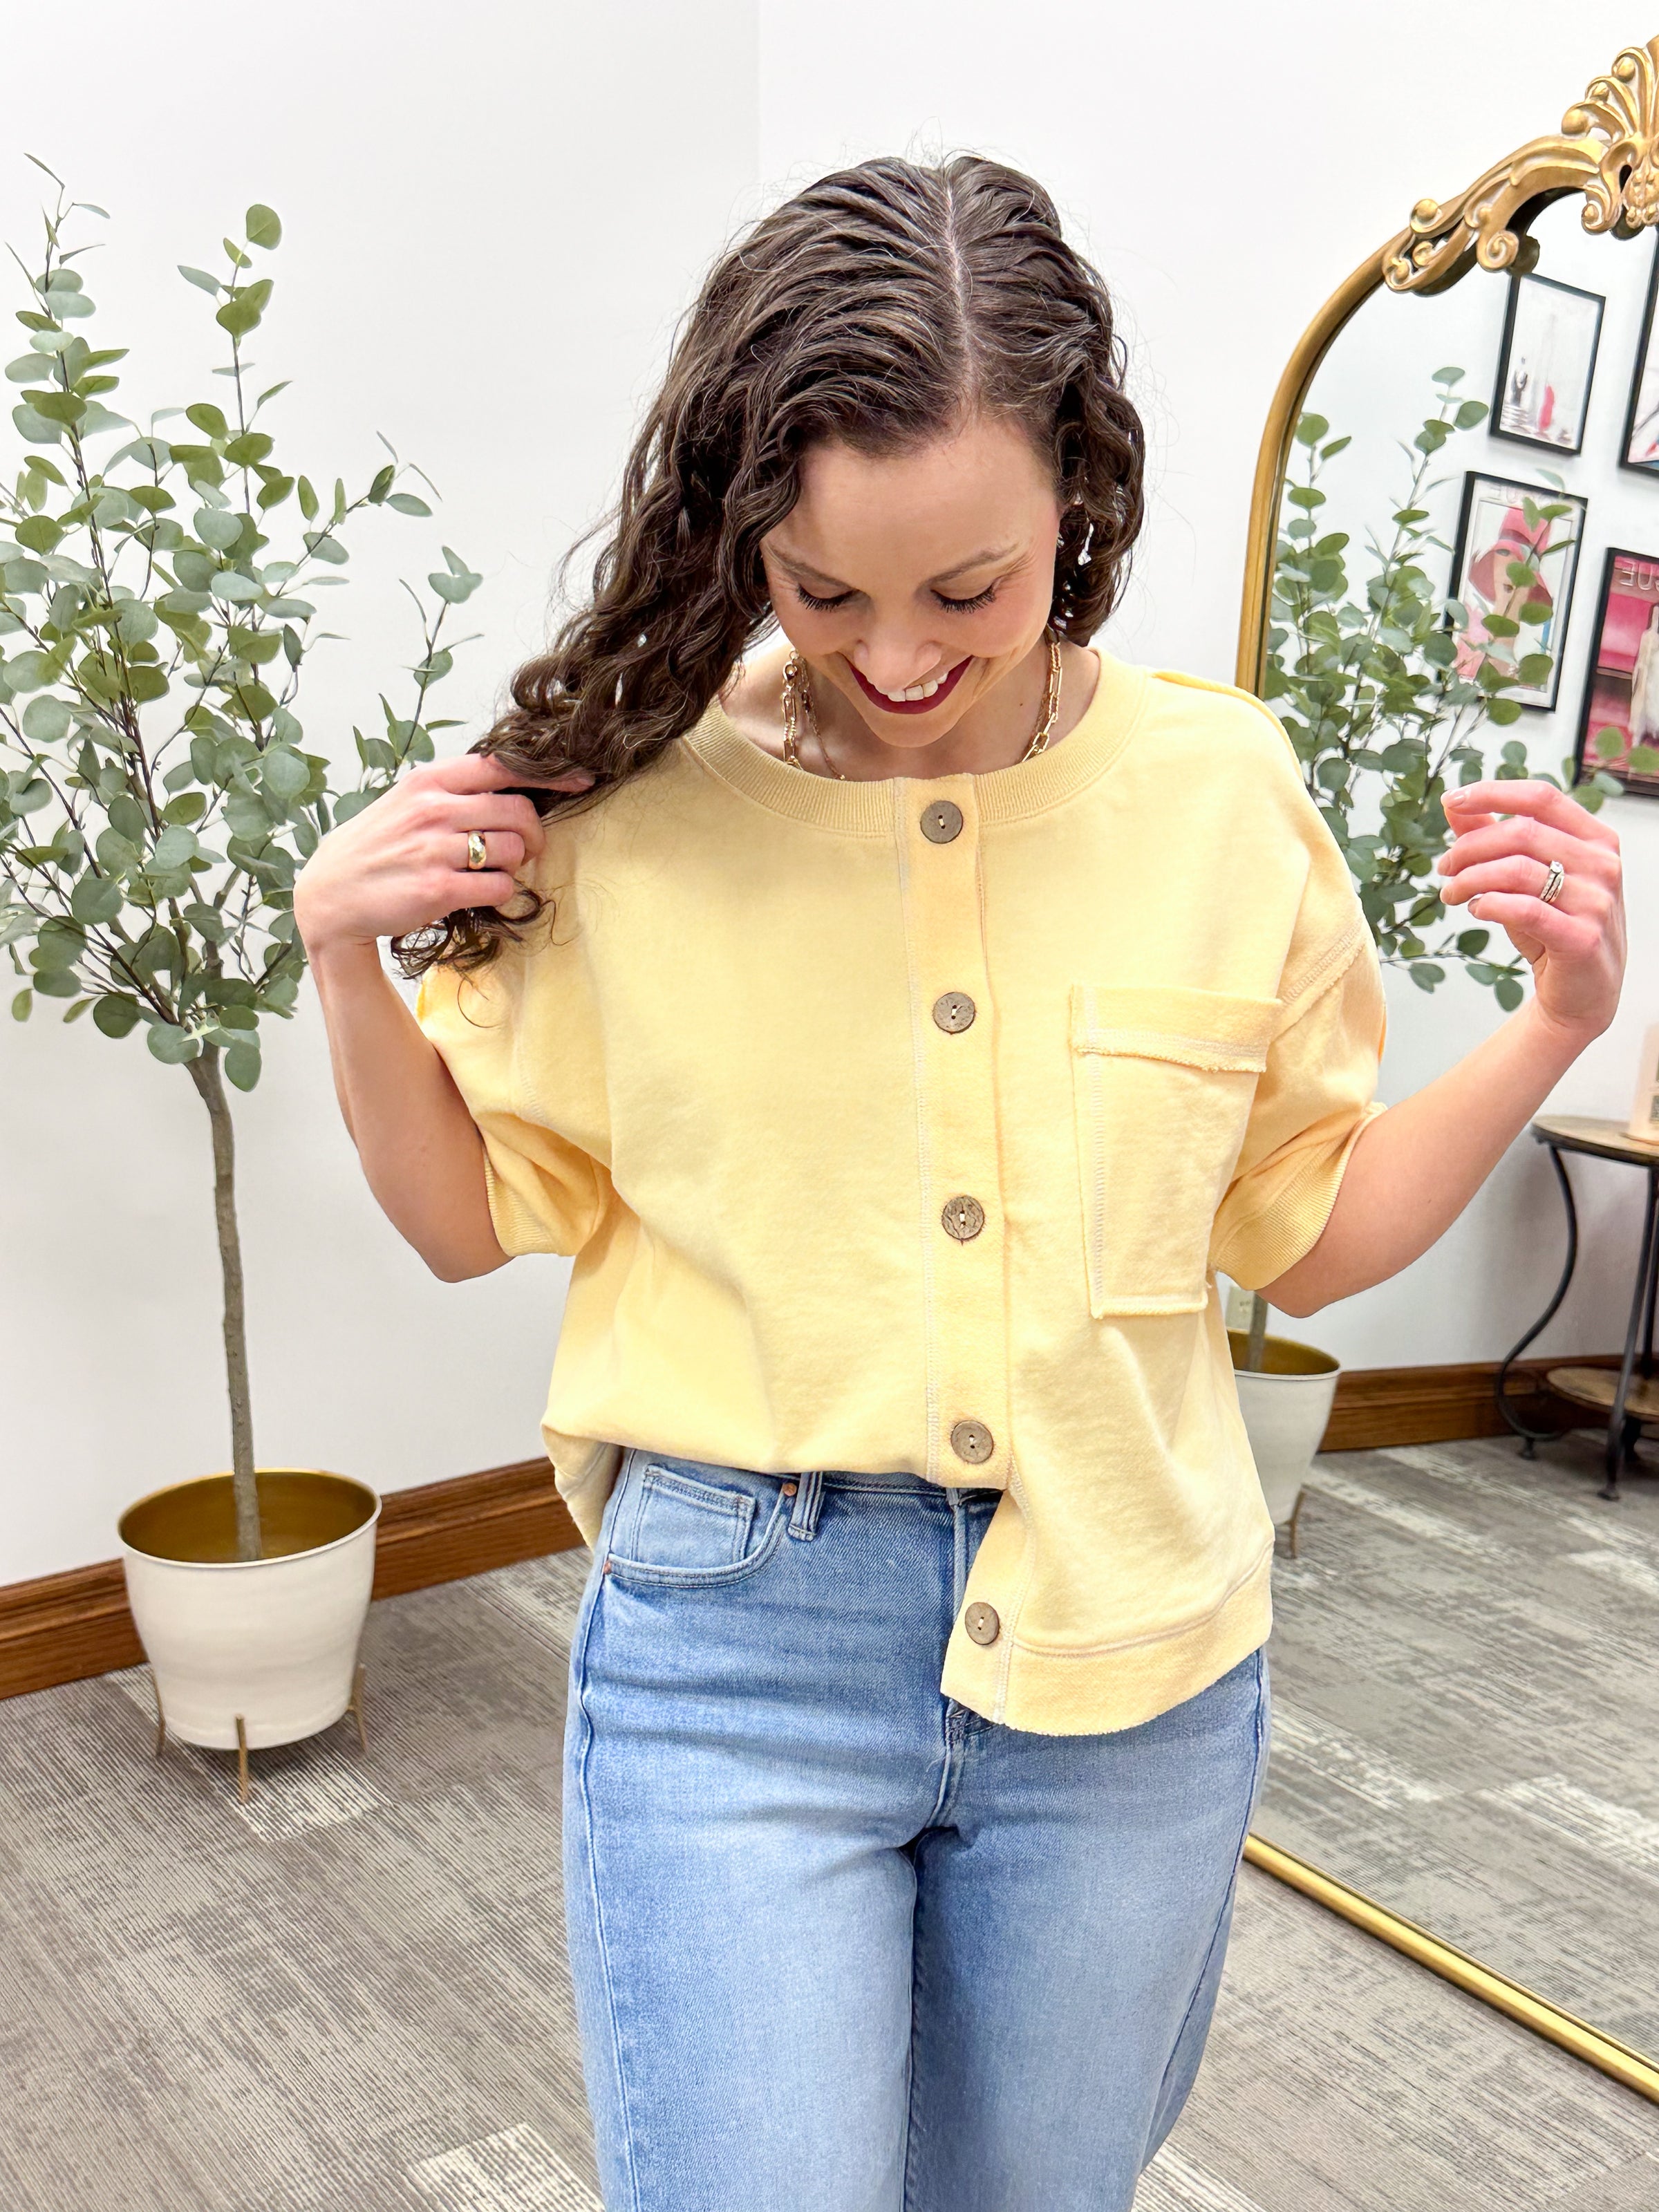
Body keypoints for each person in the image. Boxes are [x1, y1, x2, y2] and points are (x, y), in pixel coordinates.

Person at [292, 156, 1627, 2212]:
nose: (895, 657)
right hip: (738, 1642)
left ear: (1077, 503)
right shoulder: (637, 809)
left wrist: (1550, 1030)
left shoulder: (1219, 793)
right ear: (747, 534)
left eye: (968, 590)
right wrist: (339, 960)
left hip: (1134, 1659)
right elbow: (466, 1217)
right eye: (824, 593)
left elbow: (1316, 1240)